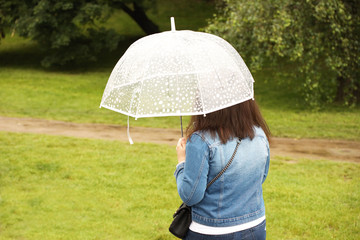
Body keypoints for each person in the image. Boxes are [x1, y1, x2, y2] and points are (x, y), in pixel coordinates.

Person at [174, 99, 270, 240]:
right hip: (255, 226)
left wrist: (182, 162)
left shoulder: (200, 140)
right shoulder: (259, 134)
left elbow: (190, 196)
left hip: (212, 231)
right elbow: (261, 177)